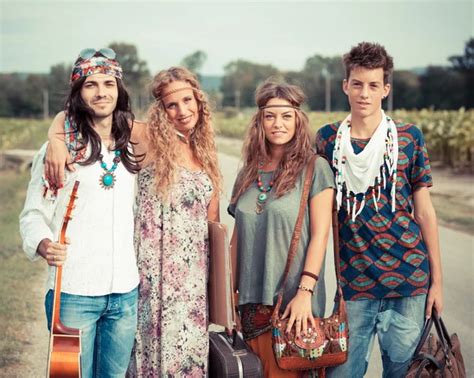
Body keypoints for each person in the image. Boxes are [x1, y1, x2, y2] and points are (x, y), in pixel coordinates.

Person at [46, 66, 222, 377]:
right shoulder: (146, 137)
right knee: (145, 359)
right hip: (152, 275)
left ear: (199, 100)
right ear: (160, 109)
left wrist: (220, 286)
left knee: (188, 362)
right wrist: (56, 141)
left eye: (187, 100)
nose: (182, 111)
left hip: (193, 283)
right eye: (171, 104)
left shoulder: (206, 149)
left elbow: (213, 224)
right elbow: (76, 116)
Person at [315, 42, 443, 378]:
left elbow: (425, 213)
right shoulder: (328, 141)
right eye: (357, 84)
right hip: (354, 286)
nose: (364, 93)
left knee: (402, 373)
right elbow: (315, 212)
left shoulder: (409, 137)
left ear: (385, 89)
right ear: (345, 85)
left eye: (373, 85)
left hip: (409, 283)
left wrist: (438, 283)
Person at [19, 47, 141, 377]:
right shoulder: (58, 150)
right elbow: (32, 214)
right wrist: (43, 244)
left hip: (125, 294)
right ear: (78, 92)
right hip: (74, 291)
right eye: (91, 84)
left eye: (109, 83)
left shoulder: (133, 146)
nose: (102, 92)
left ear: (120, 90)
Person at [228, 80, 335, 377]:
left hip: (293, 307)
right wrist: (228, 298)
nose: (278, 123)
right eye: (270, 116)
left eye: (286, 116)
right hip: (249, 308)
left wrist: (305, 294)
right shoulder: (247, 174)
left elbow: (320, 236)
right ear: (259, 121)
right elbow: (237, 241)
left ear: (298, 120)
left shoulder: (315, 169)